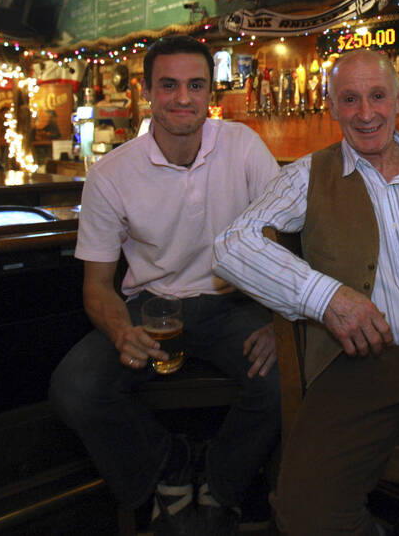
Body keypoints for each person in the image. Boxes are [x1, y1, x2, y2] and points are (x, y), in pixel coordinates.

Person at [214, 49, 399, 535]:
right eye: (349, 99)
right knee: (304, 515)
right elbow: (230, 246)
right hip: (360, 363)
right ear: (331, 106)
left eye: (378, 96)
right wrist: (327, 298)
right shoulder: (307, 176)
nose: (365, 112)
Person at [49, 36, 282, 536]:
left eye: (195, 85)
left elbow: (286, 242)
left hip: (231, 303)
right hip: (151, 309)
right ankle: (169, 467)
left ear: (210, 91)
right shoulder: (111, 174)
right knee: (74, 389)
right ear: (146, 92)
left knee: (287, 376)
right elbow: (97, 286)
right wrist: (119, 332)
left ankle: (222, 485)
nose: (183, 98)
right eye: (169, 85)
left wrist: (281, 323)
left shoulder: (242, 146)